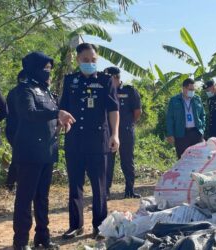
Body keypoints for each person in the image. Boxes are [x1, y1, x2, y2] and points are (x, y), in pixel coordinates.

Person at [12, 52, 75, 250]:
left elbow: (48, 116)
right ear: (33, 68)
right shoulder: (24, 90)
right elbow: (29, 113)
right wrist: (57, 113)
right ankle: (20, 242)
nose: (47, 72)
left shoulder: (46, 90)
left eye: (49, 68)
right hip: (29, 153)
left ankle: (43, 238)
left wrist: (59, 121)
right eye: (44, 68)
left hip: (47, 151)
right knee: (25, 198)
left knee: (43, 198)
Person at [60, 43, 120, 240]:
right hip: (75, 140)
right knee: (75, 185)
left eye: (93, 60)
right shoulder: (70, 81)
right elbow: (63, 109)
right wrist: (61, 123)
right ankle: (75, 225)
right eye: (85, 60)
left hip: (98, 141)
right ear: (78, 60)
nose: (90, 63)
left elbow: (113, 109)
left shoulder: (105, 80)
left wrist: (115, 134)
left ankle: (99, 226)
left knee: (99, 187)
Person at [104, 67, 142, 199]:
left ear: (116, 78)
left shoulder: (129, 91)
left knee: (127, 161)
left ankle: (129, 190)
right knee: (107, 162)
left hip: (125, 132)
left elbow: (137, 112)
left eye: (108, 78)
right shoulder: (105, 91)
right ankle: (106, 191)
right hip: (108, 133)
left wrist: (128, 124)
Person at [166, 78, 206, 159]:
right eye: (190, 89)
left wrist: (202, 129)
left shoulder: (197, 99)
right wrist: (170, 134)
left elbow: (203, 115)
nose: (192, 91)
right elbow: (170, 118)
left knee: (197, 159)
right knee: (182, 159)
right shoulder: (174, 100)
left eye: (193, 89)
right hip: (181, 134)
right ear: (184, 88)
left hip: (196, 133)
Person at [5, 70, 27, 191]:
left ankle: (10, 184)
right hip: (17, 130)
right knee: (19, 158)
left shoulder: (13, 92)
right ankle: (13, 184)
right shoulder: (20, 92)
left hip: (13, 129)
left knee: (18, 156)